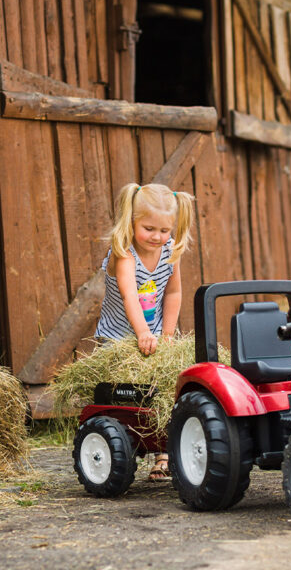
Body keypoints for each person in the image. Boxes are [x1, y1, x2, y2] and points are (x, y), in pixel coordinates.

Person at [95, 182, 195, 480]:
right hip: (118, 338)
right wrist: (141, 334)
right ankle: (122, 447)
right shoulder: (123, 253)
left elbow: (173, 293)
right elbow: (129, 296)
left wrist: (166, 334)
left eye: (165, 230)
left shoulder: (170, 250)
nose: (157, 237)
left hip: (151, 335)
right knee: (128, 395)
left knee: (164, 389)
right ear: (132, 221)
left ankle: (163, 453)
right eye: (149, 228)